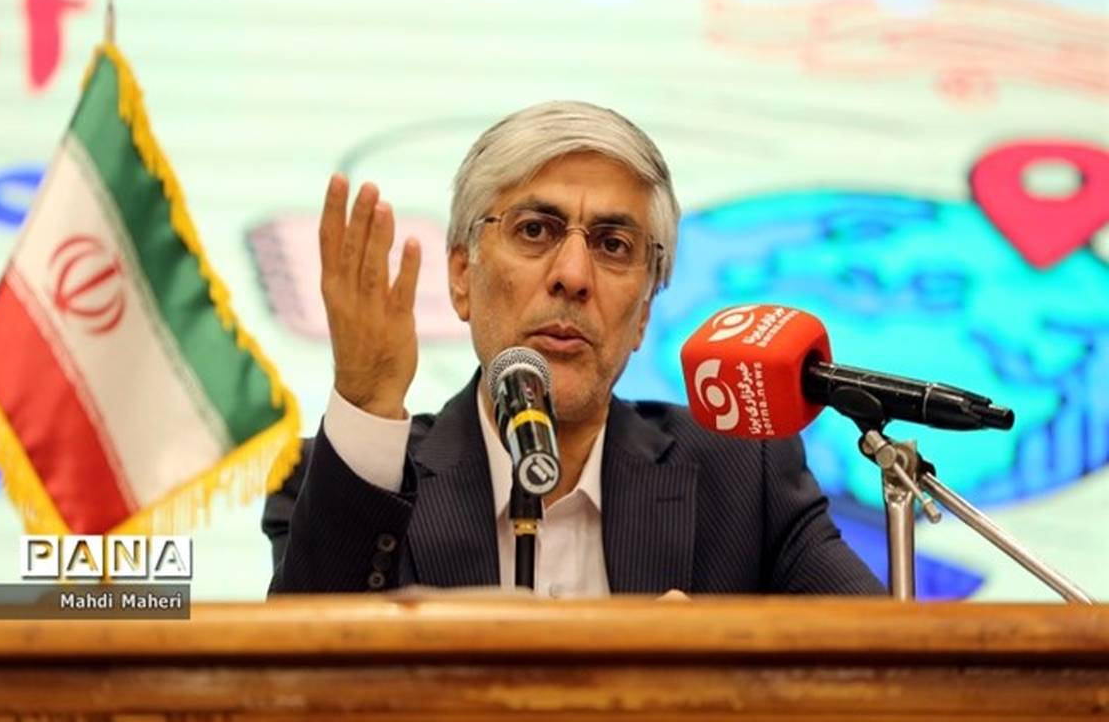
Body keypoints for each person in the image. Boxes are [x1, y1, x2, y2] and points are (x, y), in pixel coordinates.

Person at [265, 100, 884, 596]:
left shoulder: (743, 479)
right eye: (535, 231)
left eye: (613, 246)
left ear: (645, 310)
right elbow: (301, 685)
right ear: (461, 277)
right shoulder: (346, 481)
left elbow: (885, 669)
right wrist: (369, 401)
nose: (573, 276)